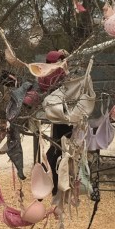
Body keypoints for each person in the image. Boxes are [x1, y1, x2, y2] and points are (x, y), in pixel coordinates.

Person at [38, 50, 72, 194]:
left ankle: (53, 181)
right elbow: (68, 85)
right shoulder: (57, 72)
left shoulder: (43, 73)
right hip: (62, 113)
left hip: (53, 112)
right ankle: (56, 182)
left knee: (57, 146)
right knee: (60, 147)